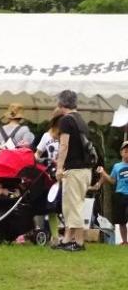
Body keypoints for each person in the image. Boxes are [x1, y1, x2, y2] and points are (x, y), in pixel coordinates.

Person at [54, 90, 93, 252]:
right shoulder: (81, 120)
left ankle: (78, 242)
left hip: (74, 169)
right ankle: (66, 239)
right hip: (86, 170)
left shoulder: (65, 121)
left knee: (73, 206)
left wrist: (59, 167)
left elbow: (64, 145)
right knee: (73, 204)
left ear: (61, 104)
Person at [96, 140, 128, 245]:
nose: (127, 152)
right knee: (122, 220)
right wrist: (103, 173)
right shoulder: (117, 166)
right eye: (125, 150)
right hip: (120, 194)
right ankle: (124, 241)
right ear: (121, 152)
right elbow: (113, 180)